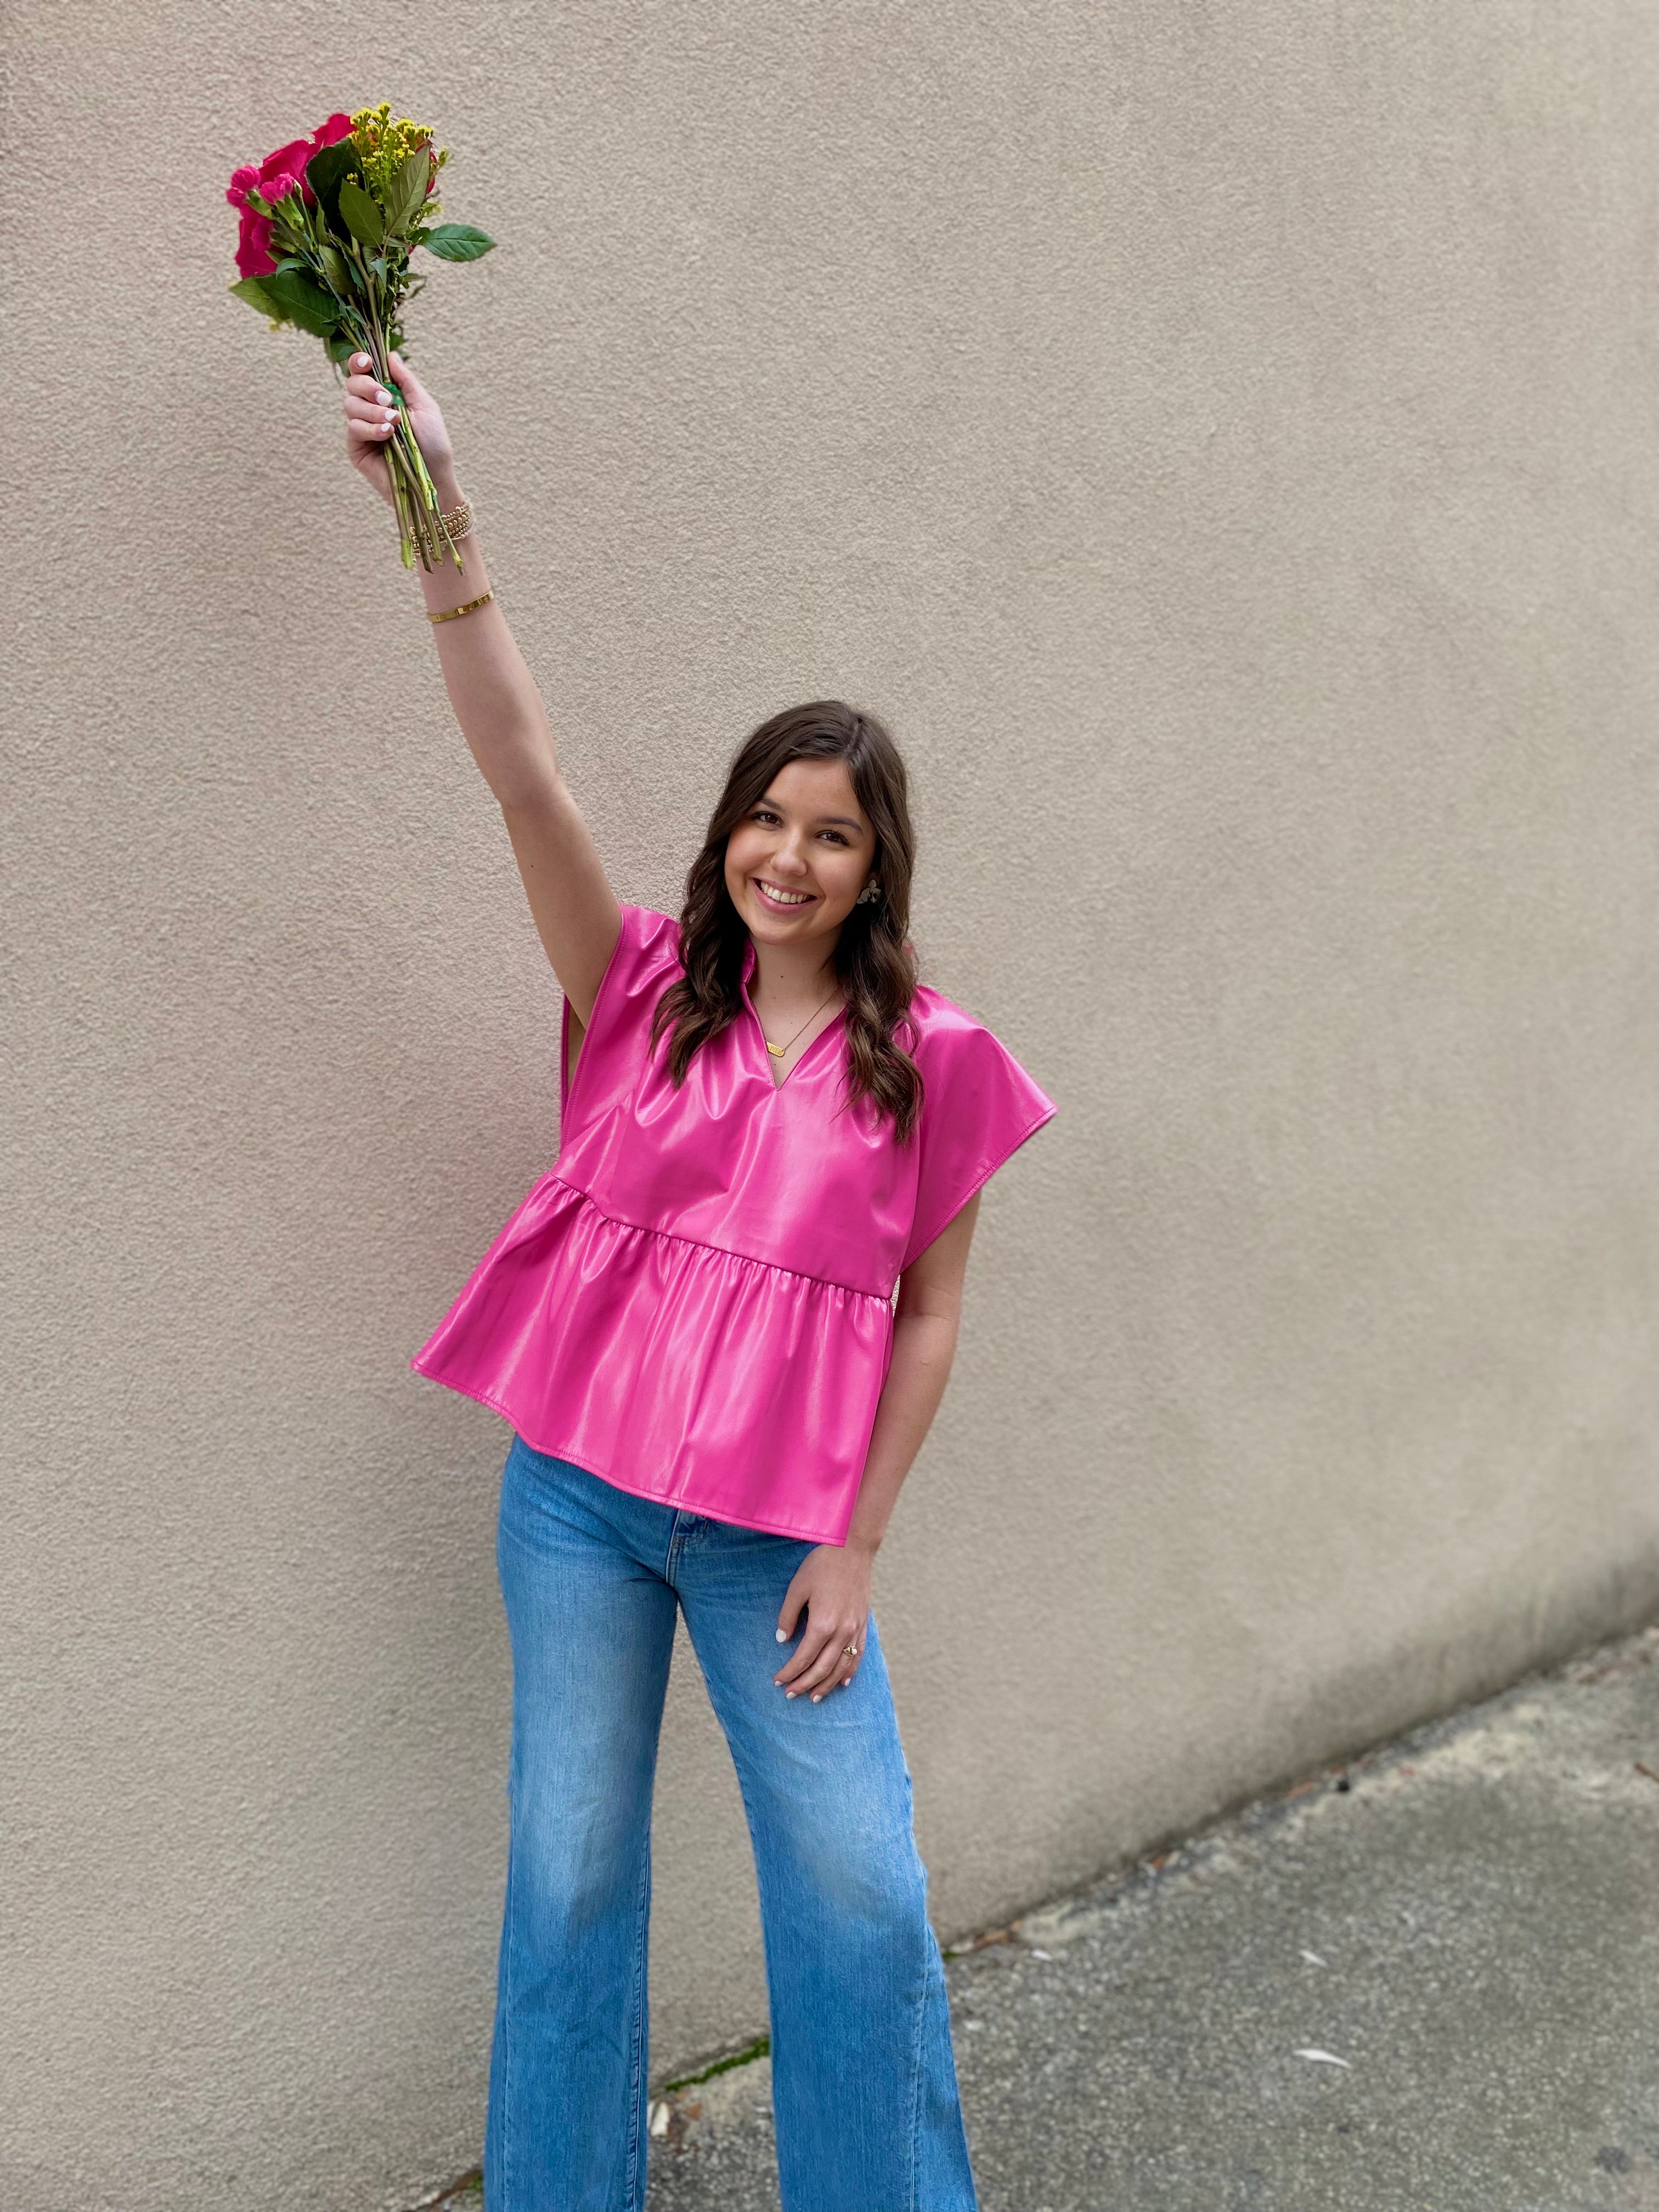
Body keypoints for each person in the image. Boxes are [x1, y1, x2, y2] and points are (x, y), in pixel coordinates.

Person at [340, 349, 1057, 2212]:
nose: (790, 857)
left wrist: (864, 1538)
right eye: (770, 817)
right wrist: (440, 510)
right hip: (576, 1501)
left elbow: (931, 1312)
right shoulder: (640, 986)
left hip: (776, 1542)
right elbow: (521, 775)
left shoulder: (937, 1064)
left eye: (834, 833)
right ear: (729, 825)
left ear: (876, 866)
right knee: (569, 1872)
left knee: (860, 1885)